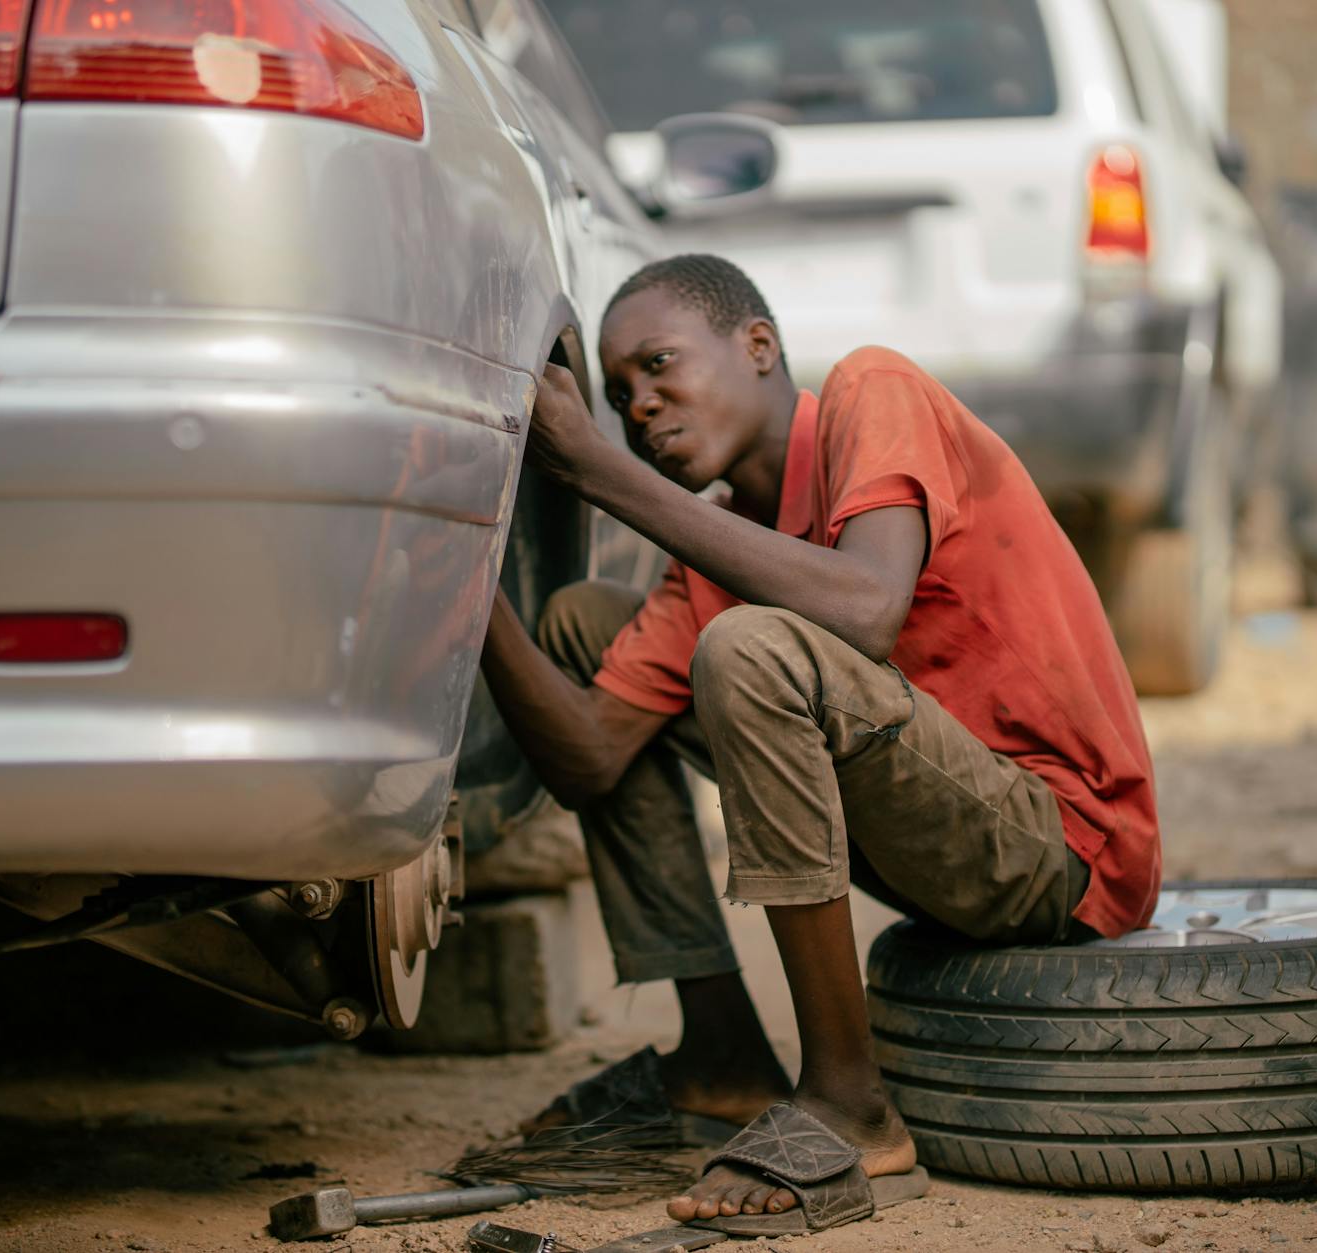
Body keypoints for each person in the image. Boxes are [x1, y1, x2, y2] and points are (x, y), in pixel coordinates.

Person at [478, 254, 1159, 1236]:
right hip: (933, 847)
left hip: (1059, 847)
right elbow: (589, 756)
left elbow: (866, 605)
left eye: (660, 365)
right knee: (588, 623)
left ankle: (847, 1098)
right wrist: (471, 594)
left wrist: (596, 467)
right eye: (618, 396)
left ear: (758, 347)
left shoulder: (869, 392)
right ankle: (719, 1050)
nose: (640, 407)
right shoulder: (717, 547)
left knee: (748, 646)